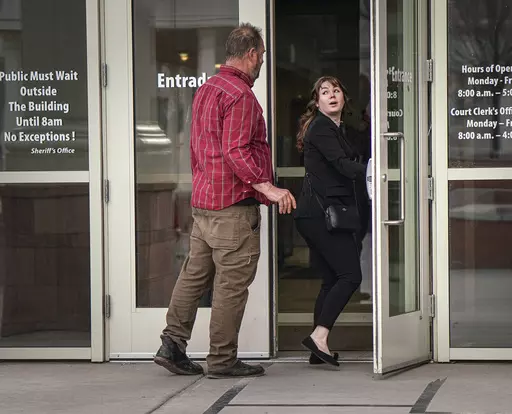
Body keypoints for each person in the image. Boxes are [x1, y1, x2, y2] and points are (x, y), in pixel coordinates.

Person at [154, 23, 296, 379]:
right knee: (231, 287)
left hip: (205, 204)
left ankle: (172, 345)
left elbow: (198, 147)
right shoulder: (240, 95)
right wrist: (268, 188)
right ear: (251, 54)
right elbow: (236, 151)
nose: (262, 61)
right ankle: (222, 359)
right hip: (232, 208)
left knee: (193, 277)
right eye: (261, 55)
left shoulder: (207, 89)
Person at [293, 76, 369, 366]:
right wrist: (374, 172)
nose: (332, 95)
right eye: (325, 92)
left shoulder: (337, 128)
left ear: (344, 97)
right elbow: (342, 165)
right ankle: (320, 336)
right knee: (350, 276)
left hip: (316, 214)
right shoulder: (322, 127)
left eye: (336, 90)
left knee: (331, 280)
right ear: (317, 102)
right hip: (320, 215)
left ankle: (318, 350)